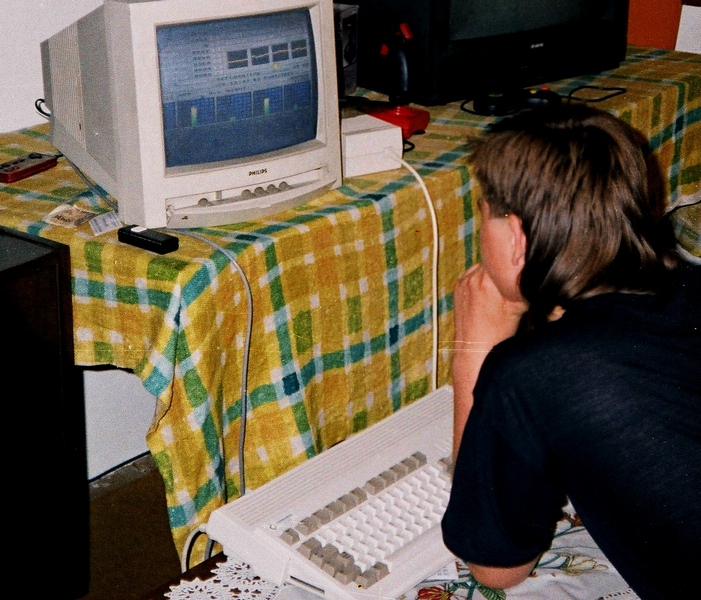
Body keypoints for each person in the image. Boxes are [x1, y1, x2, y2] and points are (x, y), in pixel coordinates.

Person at [441, 104, 701, 599]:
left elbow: (496, 568)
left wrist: (473, 351)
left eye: (484, 213)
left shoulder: (531, 374)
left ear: (518, 237)